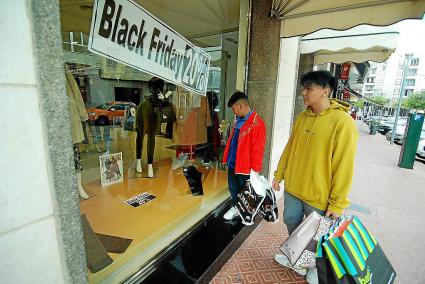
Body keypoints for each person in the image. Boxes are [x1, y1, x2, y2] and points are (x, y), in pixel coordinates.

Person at [272, 71, 359, 279]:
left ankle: (313, 267)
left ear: (325, 91)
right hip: (294, 188)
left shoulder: (342, 122)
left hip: (319, 195)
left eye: (309, 88)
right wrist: (280, 173)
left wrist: (337, 204)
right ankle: (296, 255)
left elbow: (344, 166)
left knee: (316, 237)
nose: (304, 93)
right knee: (291, 222)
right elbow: (289, 147)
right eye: (304, 88)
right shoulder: (302, 117)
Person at [222, 91, 266, 220]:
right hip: (233, 164)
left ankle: (246, 213)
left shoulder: (256, 123)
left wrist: (255, 171)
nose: (233, 111)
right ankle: (236, 208)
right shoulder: (239, 121)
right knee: (233, 189)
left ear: (240, 106)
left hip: (245, 167)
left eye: (234, 108)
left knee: (246, 193)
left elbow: (258, 149)